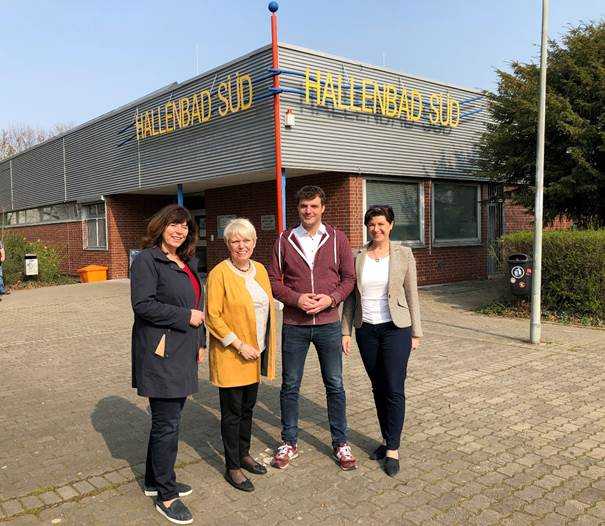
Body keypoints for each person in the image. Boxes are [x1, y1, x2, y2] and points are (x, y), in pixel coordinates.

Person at [268, 185, 357, 470]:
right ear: (298, 209)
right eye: (304, 206)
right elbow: (273, 281)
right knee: (290, 385)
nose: (309, 211)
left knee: (335, 384)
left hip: (329, 325)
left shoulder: (337, 239)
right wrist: (297, 299)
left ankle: (341, 443)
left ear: (323, 208)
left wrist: (331, 299)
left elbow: (349, 278)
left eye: (314, 206)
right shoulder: (284, 240)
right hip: (295, 324)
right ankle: (289, 441)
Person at [130, 204, 205, 525]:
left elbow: (195, 303)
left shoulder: (185, 262)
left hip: (183, 350)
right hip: (161, 354)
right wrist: (185, 318)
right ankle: (166, 494)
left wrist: (200, 342)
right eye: (174, 224)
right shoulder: (148, 260)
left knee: (167, 419)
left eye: (185, 226)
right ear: (161, 226)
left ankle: (153, 479)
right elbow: (143, 305)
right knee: (167, 423)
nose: (179, 230)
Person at [341, 204, 423, 477]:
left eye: (381, 224)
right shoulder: (358, 256)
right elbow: (352, 298)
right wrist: (345, 331)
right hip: (367, 330)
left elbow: (412, 294)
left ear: (390, 225)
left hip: (396, 329)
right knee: (378, 387)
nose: (376, 229)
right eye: (371, 224)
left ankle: (393, 449)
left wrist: (416, 331)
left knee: (394, 386)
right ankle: (387, 438)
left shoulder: (403, 254)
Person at [205, 218, 277, 492]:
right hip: (232, 355)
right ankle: (232, 466)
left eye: (246, 240)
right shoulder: (219, 274)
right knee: (232, 413)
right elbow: (213, 316)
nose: (241, 245)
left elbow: (265, 305)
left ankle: (244, 454)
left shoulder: (259, 270)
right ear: (227, 244)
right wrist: (238, 344)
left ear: (254, 243)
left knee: (248, 409)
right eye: (235, 241)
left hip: (255, 353)